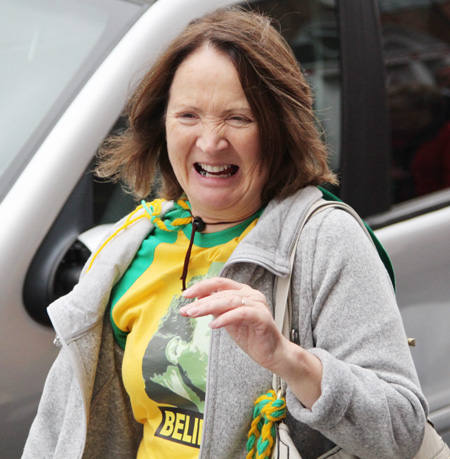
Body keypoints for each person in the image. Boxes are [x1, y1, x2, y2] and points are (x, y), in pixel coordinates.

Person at [23, 7, 428, 459]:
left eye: (238, 118)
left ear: (280, 129)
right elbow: (61, 429)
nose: (212, 141)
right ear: (163, 123)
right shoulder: (135, 242)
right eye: (189, 115)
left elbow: (401, 429)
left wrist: (289, 360)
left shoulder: (325, 240)